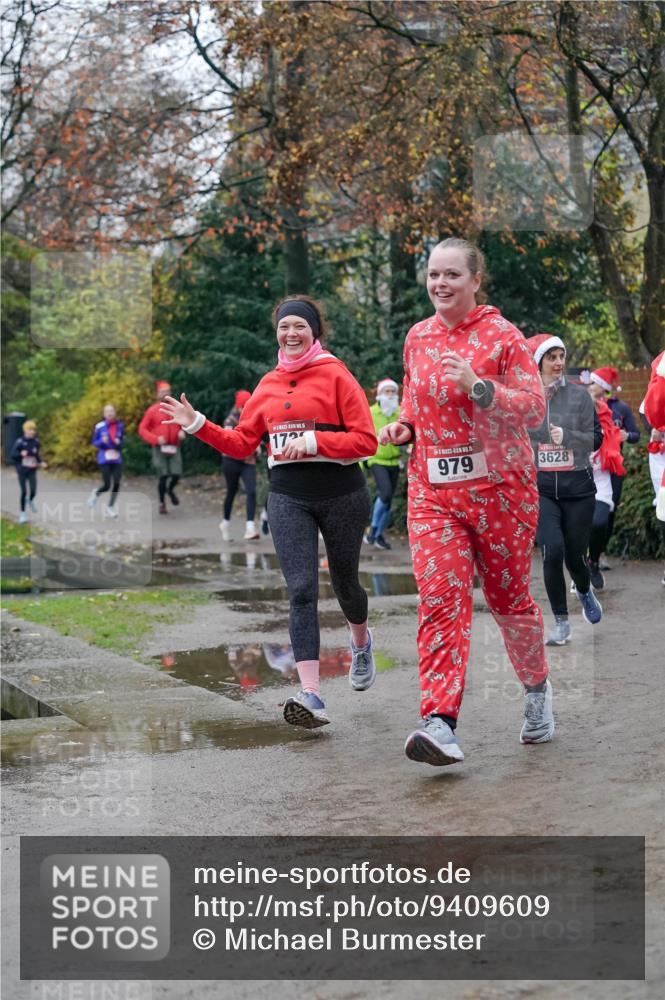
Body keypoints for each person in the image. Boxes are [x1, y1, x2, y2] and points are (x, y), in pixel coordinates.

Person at [159, 295, 378, 730]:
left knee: (344, 582)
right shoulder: (268, 384)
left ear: (314, 331)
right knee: (299, 590)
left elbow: (366, 441)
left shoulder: (336, 375)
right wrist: (197, 423)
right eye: (284, 326)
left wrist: (316, 442)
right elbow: (242, 443)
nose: (291, 333)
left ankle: (360, 641)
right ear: (276, 332)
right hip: (287, 498)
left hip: (341, 494)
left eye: (300, 326)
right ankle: (311, 694)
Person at [378, 237, 552, 767]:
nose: (440, 284)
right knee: (441, 600)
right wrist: (404, 425)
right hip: (433, 493)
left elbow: (533, 409)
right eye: (434, 274)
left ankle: (537, 690)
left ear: (476, 281)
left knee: (508, 602)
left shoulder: (504, 337)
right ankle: (440, 722)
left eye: (452, 274)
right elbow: (413, 395)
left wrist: (481, 388)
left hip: (501, 492)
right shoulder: (418, 337)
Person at [527, 334, 604, 646]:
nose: (559, 362)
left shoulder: (580, 396)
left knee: (574, 557)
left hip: (579, 490)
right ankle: (561, 623)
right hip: (543, 490)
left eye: (562, 356)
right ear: (539, 363)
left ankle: (584, 591)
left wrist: (569, 436)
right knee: (551, 551)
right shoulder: (527, 397)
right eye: (552, 357)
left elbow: (596, 438)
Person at [589, 366, 640, 568]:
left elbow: (635, 434)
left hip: (612, 467)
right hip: (590, 465)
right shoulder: (583, 405)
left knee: (607, 513)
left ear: (602, 386)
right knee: (587, 513)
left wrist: (627, 436)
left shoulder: (621, 408)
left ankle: (600, 551)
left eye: (594, 382)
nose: (590, 386)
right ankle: (590, 553)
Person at [586, 381, 626, 590]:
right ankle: (579, 570)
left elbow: (616, 450)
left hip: (601, 484)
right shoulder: (570, 431)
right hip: (578, 487)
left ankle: (593, 562)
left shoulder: (607, 432)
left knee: (600, 523)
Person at [364, 378, 402, 550]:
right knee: (385, 494)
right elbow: (363, 433)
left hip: (394, 461)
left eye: (393, 392)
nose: (390, 395)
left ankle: (377, 535)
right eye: (387, 392)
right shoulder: (371, 412)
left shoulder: (400, 412)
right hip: (376, 459)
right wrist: (361, 461)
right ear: (379, 395)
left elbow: (408, 432)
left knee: (388, 499)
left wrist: (408, 448)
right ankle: (373, 528)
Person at [138, 381, 186, 514]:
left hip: (174, 447)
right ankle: (162, 503)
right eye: (163, 392)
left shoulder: (176, 408)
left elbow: (185, 423)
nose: (166, 394)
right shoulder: (152, 410)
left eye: (168, 391)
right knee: (163, 476)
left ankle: (170, 490)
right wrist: (155, 439)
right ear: (157, 394)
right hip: (160, 448)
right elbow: (142, 429)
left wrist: (183, 431)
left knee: (176, 474)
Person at [219, 390, 260, 541]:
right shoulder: (230, 421)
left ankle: (250, 527)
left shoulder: (254, 418)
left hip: (248, 462)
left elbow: (259, 439)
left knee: (251, 491)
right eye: (244, 406)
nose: (246, 409)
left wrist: (256, 450)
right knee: (232, 491)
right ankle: (225, 522)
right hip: (231, 461)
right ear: (238, 407)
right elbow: (227, 443)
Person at [87, 404, 124, 519]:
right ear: (104, 414)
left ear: (115, 413)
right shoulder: (99, 426)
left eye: (112, 411)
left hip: (116, 458)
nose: (110, 413)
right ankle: (96, 493)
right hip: (104, 458)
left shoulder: (120, 425)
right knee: (107, 485)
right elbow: (94, 442)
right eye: (107, 411)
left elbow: (122, 442)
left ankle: (110, 507)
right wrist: (102, 442)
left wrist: (119, 443)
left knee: (117, 483)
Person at [11, 420, 47, 524]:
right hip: (22, 470)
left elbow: (36, 455)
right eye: (30, 429)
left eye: (33, 430)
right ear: (25, 430)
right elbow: (13, 455)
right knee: (24, 492)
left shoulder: (36, 442)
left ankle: (30, 500)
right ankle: (22, 514)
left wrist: (41, 462)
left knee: (33, 491)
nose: (32, 432)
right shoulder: (20, 442)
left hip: (32, 469)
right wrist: (21, 454)